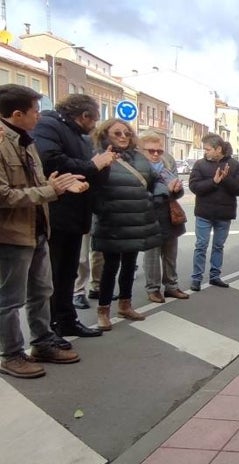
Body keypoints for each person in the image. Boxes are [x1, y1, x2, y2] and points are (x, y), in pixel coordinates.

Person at [0, 84, 85, 378]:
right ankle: (11, 354)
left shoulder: (26, 140)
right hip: (10, 235)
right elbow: (4, 195)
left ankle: (42, 342)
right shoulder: (1, 142)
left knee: (41, 290)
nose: (39, 116)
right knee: (9, 299)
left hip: (36, 229)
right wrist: (49, 190)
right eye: (35, 111)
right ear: (17, 113)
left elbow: (34, 185)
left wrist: (57, 184)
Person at [33, 93, 116, 338]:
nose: (95, 126)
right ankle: (50, 329)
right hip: (57, 214)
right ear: (84, 116)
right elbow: (50, 161)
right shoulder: (49, 125)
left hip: (77, 214)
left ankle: (68, 320)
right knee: (55, 274)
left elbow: (93, 171)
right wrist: (93, 166)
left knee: (68, 272)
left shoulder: (80, 136)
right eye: (94, 120)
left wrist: (104, 165)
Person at [90, 119, 162, 331]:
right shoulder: (98, 156)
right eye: (117, 133)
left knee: (129, 265)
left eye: (127, 133)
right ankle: (103, 310)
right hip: (112, 222)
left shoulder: (139, 158)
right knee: (110, 268)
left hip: (135, 221)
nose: (123, 137)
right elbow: (92, 188)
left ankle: (125, 304)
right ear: (106, 135)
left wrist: (155, 198)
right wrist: (103, 209)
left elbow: (156, 181)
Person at [189, 133, 239, 291]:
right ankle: (196, 278)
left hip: (224, 214)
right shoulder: (200, 165)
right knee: (201, 246)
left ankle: (215, 276)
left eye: (208, 149)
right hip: (204, 213)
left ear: (218, 149)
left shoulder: (235, 165)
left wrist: (226, 178)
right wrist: (213, 182)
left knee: (218, 246)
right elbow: (194, 187)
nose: (205, 152)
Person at [139, 132, 189, 303]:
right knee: (152, 255)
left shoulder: (166, 164)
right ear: (141, 150)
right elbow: (140, 192)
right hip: (149, 216)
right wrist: (167, 189)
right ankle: (153, 289)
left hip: (169, 215)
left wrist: (176, 189)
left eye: (159, 151)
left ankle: (171, 286)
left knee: (170, 254)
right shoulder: (137, 167)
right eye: (151, 151)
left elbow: (175, 192)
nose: (156, 154)